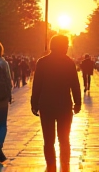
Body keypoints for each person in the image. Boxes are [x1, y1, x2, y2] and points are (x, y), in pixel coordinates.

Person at [31, 34, 81, 172]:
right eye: (66, 45)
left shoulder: (42, 62)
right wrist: (77, 103)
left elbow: (37, 85)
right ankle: (65, 165)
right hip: (64, 105)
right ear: (63, 46)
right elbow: (75, 84)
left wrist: (34, 103)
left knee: (48, 140)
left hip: (46, 105)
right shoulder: (69, 62)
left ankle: (51, 166)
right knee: (64, 139)